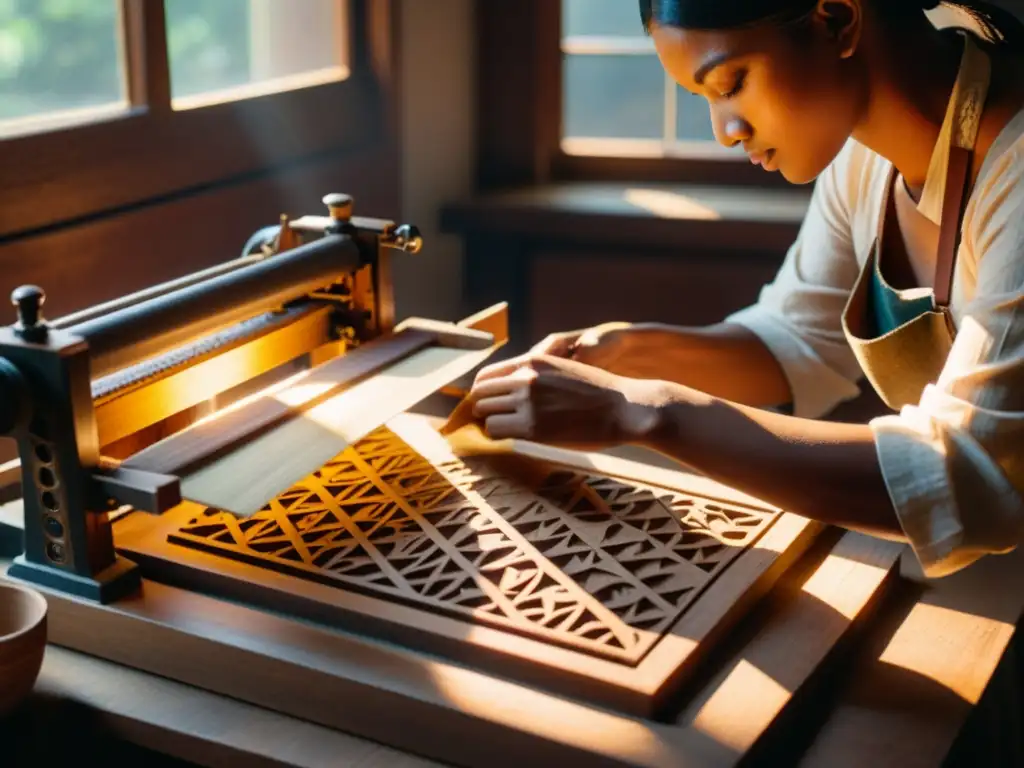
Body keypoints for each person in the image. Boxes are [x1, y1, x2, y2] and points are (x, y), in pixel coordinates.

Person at [460, 0, 1024, 580]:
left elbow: (965, 474)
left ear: (837, 20)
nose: (726, 132)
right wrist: (622, 357)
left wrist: (644, 412)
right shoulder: (862, 158)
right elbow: (792, 339)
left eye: (730, 84)